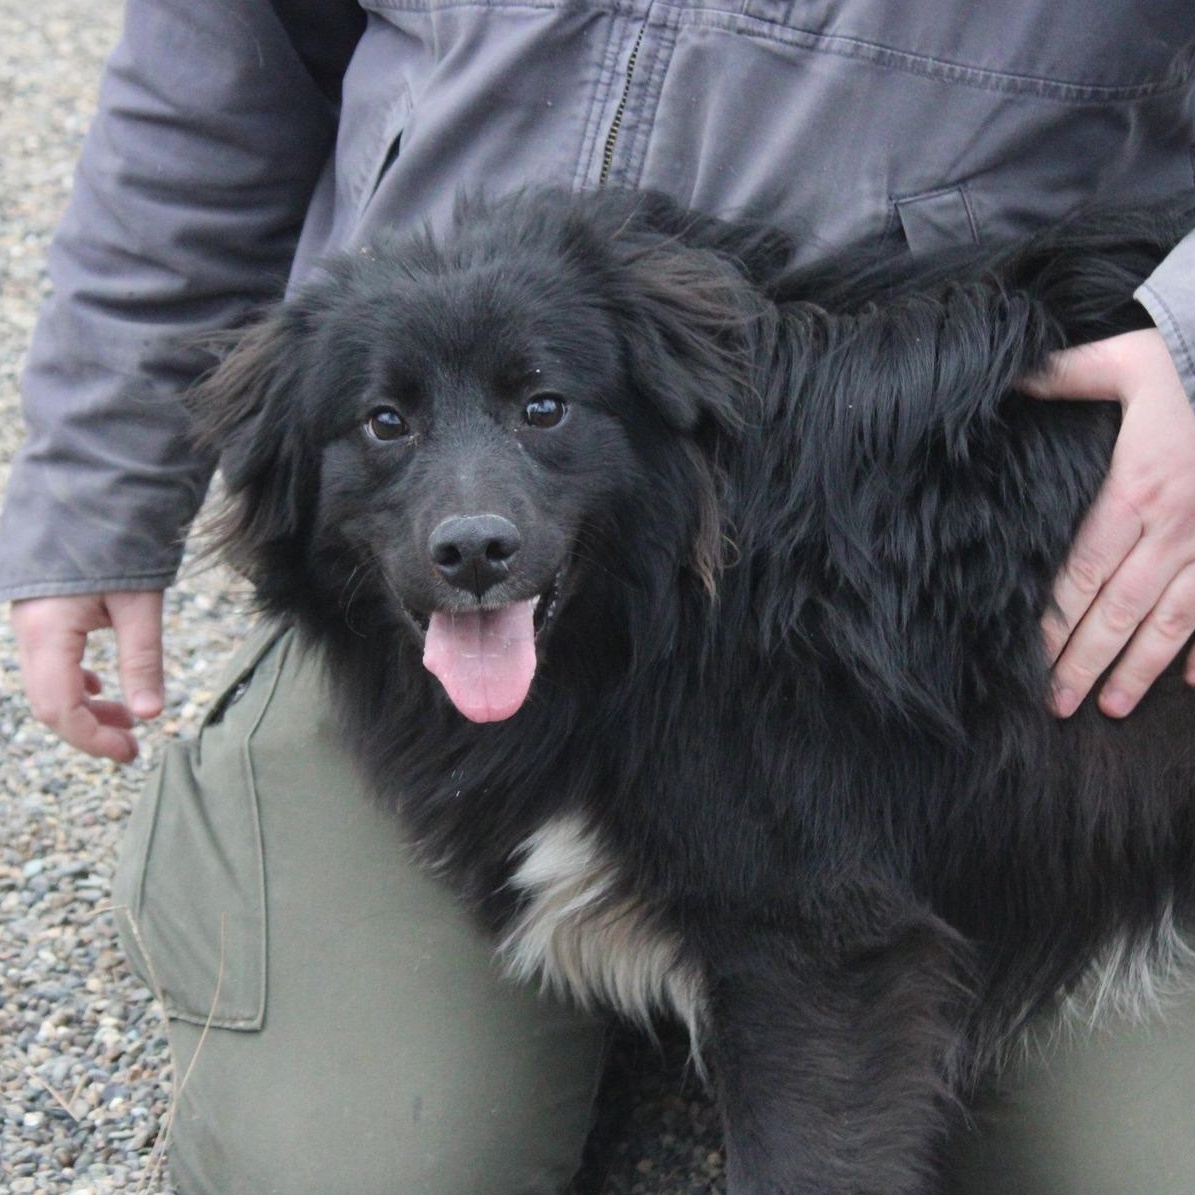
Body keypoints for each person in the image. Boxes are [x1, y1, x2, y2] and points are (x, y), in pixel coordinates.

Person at [4, 2, 1195, 1192]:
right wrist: (98, 493)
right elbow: (214, 79)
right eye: (385, 423)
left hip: (900, 493)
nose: (473, 521)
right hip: (419, 592)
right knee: (361, 1164)